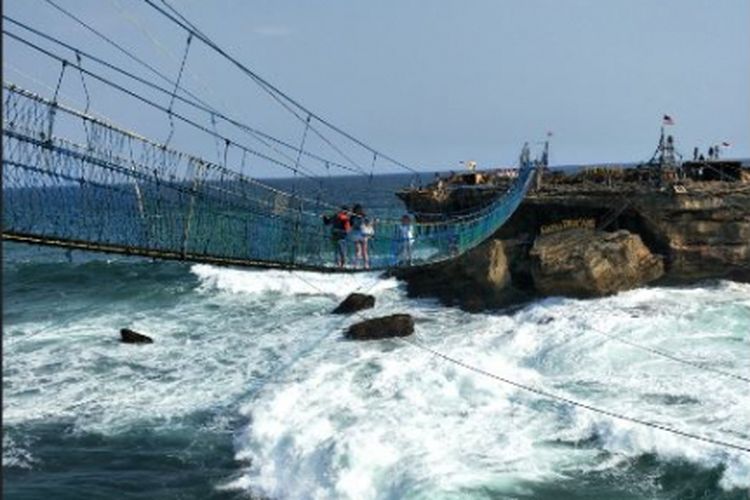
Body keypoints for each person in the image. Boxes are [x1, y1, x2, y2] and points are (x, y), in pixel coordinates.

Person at [350, 204, 374, 269]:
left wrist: (369, 222)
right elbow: (351, 225)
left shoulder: (364, 216)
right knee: (358, 250)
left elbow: (369, 223)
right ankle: (356, 265)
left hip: (363, 235)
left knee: (364, 251)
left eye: (359, 209)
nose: (358, 211)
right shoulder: (352, 217)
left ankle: (366, 265)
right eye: (356, 210)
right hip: (356, 234)